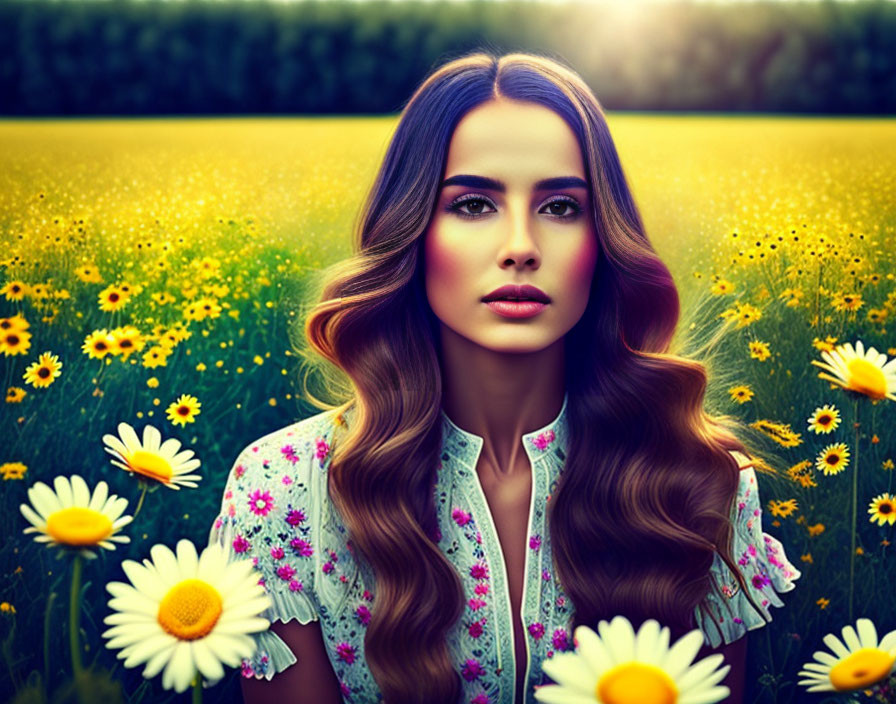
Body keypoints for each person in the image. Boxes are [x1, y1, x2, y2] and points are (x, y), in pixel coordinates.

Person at [207, 50, 801, 704]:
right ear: (412, 230)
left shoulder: (698, 481)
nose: (520, 245)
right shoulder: (283, 486)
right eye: (472, 204)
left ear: (603, 239)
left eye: (561, 208)